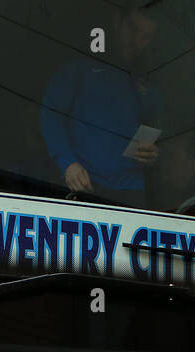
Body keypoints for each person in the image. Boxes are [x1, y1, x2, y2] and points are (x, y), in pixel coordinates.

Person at [40, 0, 161, 205]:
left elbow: (157, 132)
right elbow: (50, 112)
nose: (135, 40)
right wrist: (68, 163)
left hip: (131, 190)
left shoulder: (150, 83)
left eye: (145, 37)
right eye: (132, 28)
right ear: (117, 22)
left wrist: (154, 153)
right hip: (83, 183)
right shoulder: (81, 66)